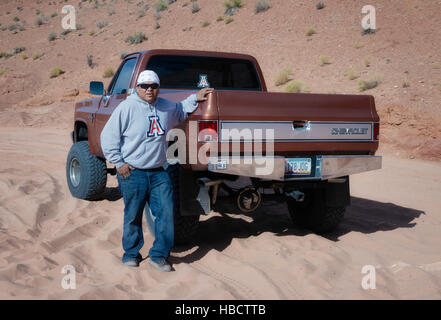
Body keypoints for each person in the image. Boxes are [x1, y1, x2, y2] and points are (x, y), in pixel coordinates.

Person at [100, 70, 213, 272]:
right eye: (145, 86)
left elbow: (180, 109)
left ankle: (159, 256)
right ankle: (131, 254)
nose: (149, 89)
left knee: (166, 213)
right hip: (132, 172)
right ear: (138, 87)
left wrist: (196, 97)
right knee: (133, 214)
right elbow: (108, 137)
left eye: (153, 86)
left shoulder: (165, 106)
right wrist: (119, 163)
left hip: (159, 172)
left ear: (158, 88)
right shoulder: (127, 107)